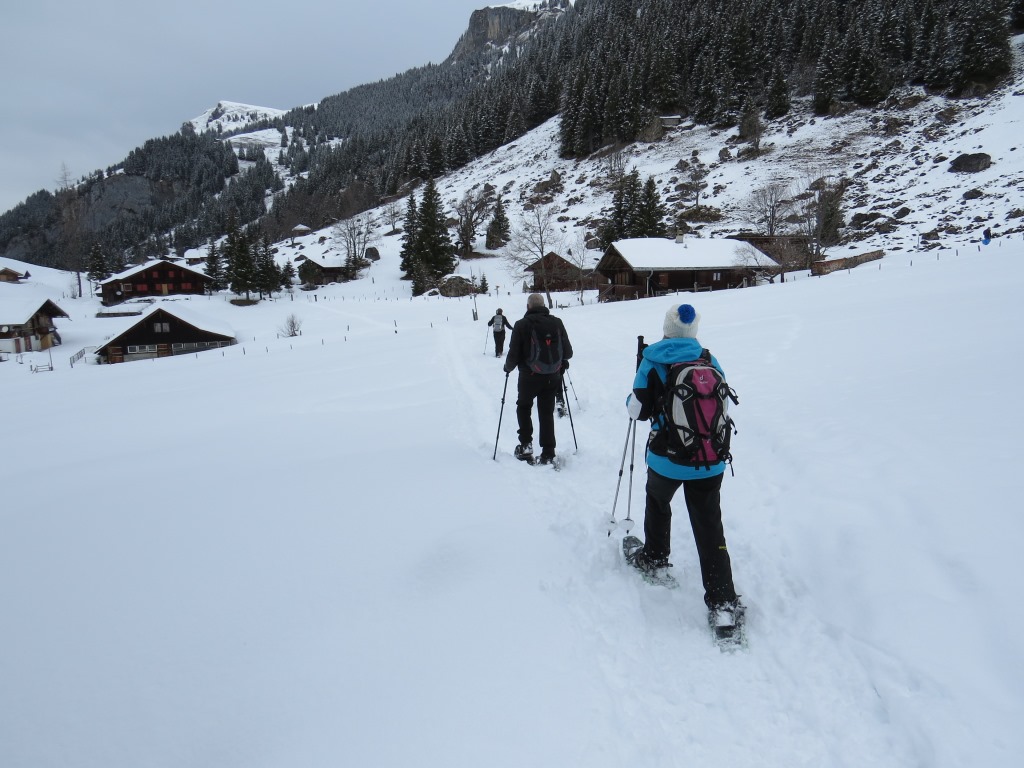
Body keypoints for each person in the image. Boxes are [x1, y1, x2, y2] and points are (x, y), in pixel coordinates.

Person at [625, 303, 741, 624]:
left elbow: (638, 411)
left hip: (667, 459)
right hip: (710, 458)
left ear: (667, 328)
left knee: (658, 503)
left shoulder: (652, 360)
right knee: (709, 524)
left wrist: (633, 397)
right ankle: (723, 602)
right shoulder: (709, 360)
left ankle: (655, 558)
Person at [503, 293, 573, 464]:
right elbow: (568, 352)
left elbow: (514, 353)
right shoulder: (557, 322)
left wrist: (507, 368)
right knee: (546, 412)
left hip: (529, 376)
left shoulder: (521, 324)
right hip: (552, 376)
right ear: (543, 305)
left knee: (524, 407)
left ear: (528, 307)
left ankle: (526, 446)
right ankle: (548, 452)